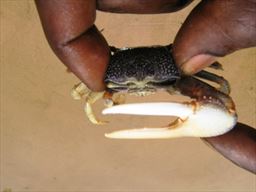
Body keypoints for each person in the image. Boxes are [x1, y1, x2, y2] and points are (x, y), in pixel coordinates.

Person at [35, 0, 256, 173]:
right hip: (165, 75)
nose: (142, 85)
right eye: (134, 82)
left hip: (174, 77)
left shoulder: (108, 71)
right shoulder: (111, 76)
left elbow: (223, 95)